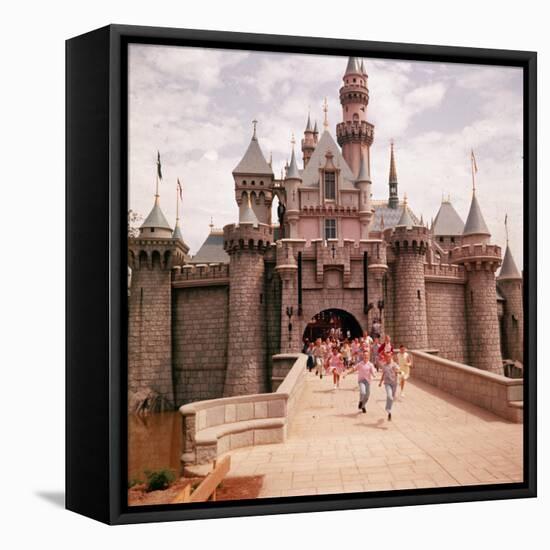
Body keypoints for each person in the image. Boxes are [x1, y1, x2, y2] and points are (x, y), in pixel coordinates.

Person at [344, 349, 376, 413]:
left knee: (367, 396)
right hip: (361, 381)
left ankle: (363, 406)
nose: (365, 357)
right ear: (363, 356)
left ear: (369, 357)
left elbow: (372, 371)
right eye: (364, 356)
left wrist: (374, 375)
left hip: (368, 382)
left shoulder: (370, 364)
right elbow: (354, 369)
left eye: (367, 356)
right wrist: (347, 373)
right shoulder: (360, 364)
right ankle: (361, 402)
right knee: (363, 392)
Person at [379, 351, 399, 421]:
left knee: (391, 398)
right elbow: (383, 374)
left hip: (394, 384)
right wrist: (380, 382)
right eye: (386, 357)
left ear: (391, 357)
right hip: (387, 383)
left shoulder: (394, 364)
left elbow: (397, 370)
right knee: (389, 396)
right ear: (385, 358)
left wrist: (397, 371)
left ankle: (389, 409)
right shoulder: (384, 365)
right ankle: (388, 409)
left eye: (389, 357)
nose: (388, 358)